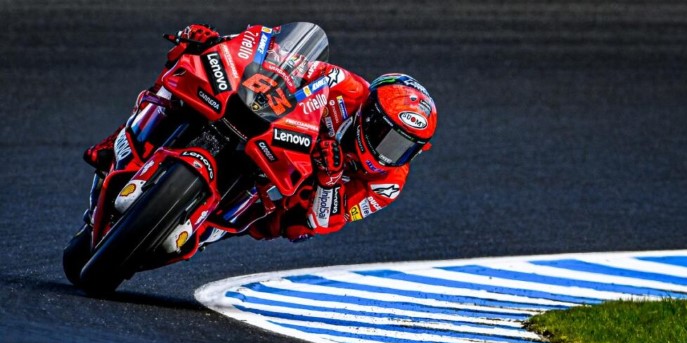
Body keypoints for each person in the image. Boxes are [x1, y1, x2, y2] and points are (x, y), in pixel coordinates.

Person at [84, 24, 438, 242]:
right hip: (274, 134)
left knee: (291, 226)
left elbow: (326, 221)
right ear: (369, 113)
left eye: (404, 146)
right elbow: (283, 59)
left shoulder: (388, 183)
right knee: (185, 64)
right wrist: (218, 43)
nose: (385, 152)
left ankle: (206, 228)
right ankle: (119, 141)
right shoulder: (346, 86)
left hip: (296, 185)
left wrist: (330, 180)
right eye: (385, 135)